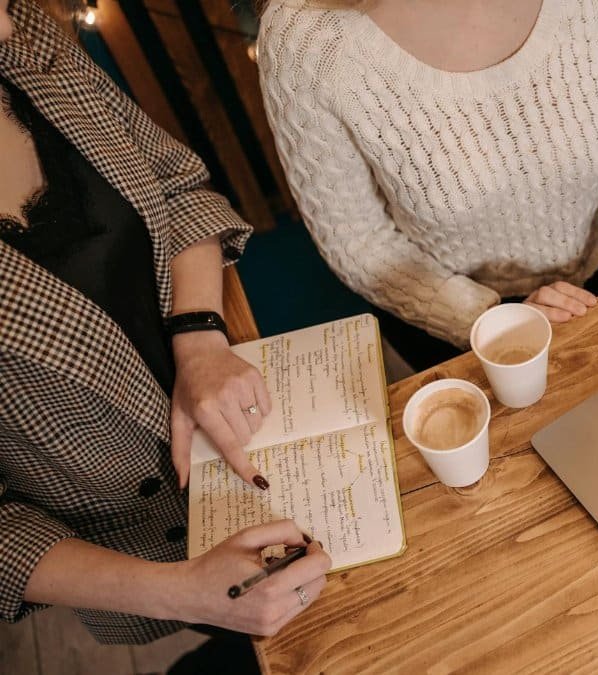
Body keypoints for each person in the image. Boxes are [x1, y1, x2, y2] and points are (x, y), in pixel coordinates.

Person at [258, 0, 598, 440]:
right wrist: (494, 319)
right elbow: (358, 240)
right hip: (450, 316)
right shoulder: (307, 38)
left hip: (583, 293)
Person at [0, 0, 329, 651]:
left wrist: (200, 336)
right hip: (148, 548)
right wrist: (178, 589)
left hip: (258, 424)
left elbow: (179, 187)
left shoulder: (30, 34)